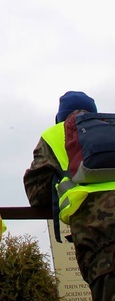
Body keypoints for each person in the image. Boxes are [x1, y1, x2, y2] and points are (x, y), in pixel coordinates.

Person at [24, 91, 115, 301]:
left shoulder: (57, 133)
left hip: (99, 235)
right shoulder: (111, 128)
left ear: (60, 117)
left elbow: (37, 194)